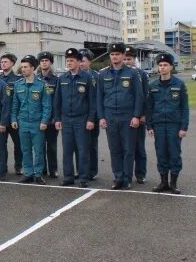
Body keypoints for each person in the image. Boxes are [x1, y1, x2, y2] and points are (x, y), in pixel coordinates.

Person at [97, 42, 144, 190]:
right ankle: (118, 177)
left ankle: (127, 178)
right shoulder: (103, 74)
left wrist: (136, 116)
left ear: (123, 56)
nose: (115, 57)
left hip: (127, 116)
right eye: (112, 54)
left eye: (117, 54)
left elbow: (139, 96)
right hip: (110, 116)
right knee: (115, 149)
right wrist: (101, 117)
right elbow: (99, 98)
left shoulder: (132, 73)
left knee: (128, 149)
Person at [147, 53, 189, 194]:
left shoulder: (179, 85)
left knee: (174, 154)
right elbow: (149, 107)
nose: (162, 68)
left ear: (171, 67)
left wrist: (184, 127)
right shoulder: (152, 86)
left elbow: (184, 107)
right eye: (160, 65)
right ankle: (163, 182)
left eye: (165, 65)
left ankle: (174, 184)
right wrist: (149, 125)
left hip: (174, 125)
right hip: (158, 125)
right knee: (161, 154)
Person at [53, 48, 96, 187]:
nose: (69, 63)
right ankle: (68, 177)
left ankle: (83, 177)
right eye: (67, 60)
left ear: (78, 62)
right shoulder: (62, 78)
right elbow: (57, 101)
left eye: (72, 60)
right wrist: (57, 119)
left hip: (81, 119)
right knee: (67, 150)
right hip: (66, 119)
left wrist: (90, 119)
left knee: (83, 150)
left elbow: (92, 101)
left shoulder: (87, 78)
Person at [10, 55, 51, 184]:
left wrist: (44, 121)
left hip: (37, 123)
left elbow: (47, 105)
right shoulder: (18, 85)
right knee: (25, 149)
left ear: (33, 68)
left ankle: (38, 174)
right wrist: (13, 119)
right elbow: (15, 104)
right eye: (22, 67)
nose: (23, 69)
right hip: (23, 122)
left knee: (38, 150)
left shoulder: (42, 85)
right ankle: (28, 173)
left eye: (26, 67)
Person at [124, 46, 151, 184]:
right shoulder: (121, 74)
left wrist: (143, 115)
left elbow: (145, 96)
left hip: (138, 116)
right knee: (126, 148)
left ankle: (140, 173)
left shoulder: (142, 74)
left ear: (134, 59)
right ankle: (124, 173)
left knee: (139, 146)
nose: (126, 61)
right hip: (124, 117)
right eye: (125, 59)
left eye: (129, 59)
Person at [36, 51, 60, 178]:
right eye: (42, 61)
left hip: (51, 119)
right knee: (39, 145)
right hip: (38, 118)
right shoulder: (35, 79)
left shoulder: (56, 80)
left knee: (51, 145)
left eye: (46, 60)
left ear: (50, 63)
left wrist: (56, 118)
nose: (44, 63)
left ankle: (53, 169)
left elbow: (57, 101)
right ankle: (42, 169)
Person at [0, 52, 23, 175]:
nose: (3, 64)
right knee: (1, 144)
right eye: (2, 62)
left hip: (14, 117)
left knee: (18, 144)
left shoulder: (18, 79)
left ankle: (19, 166)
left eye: (5, 61)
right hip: (2, 117)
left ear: (12, 64)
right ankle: (3, 167)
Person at [79, 49, 100, 180]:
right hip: (79, 117)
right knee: (79, 146)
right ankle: (81, 170)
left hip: (93, 116)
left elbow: (98, 97)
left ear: (90, 62)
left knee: (91, 145)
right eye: (79, 61)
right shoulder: (73, 75)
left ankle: (92, 171)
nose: (80, 64)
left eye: (83, 61)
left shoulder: (96, 76)